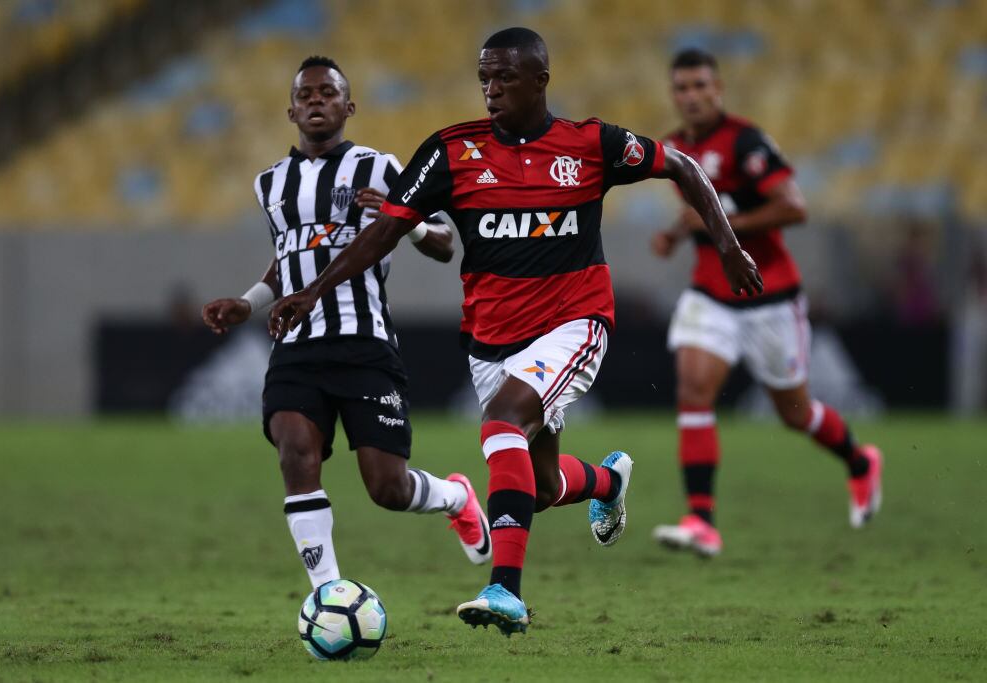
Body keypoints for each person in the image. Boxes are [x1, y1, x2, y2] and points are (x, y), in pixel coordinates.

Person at [269, 30, 763, 635]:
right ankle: (607, 481)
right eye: (484, 78)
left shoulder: (590, 144)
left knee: (502, 423)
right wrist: (313, 292)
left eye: (504, 77)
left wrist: (729, 244)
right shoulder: (451, 151)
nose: (491, 89)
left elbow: (681, 165)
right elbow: (383, 233)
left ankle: (505, 592)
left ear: (540, 81)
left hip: (573, 321)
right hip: (491, 340)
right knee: (540, 485)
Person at [201, 56, 493, 593]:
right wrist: (248, 303)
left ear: (348, 107)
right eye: (306, 95)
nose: (316, 101)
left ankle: (456, 498)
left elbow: (445, 244)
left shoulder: (379, 168)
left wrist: (401, 222)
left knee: (387, 487)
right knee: (295, 453)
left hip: (364, 344)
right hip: (296, 346)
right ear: (290, 110)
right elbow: (288, 258)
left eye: (327, 93)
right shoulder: (270, 183)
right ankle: (328, 595)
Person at [649, 48, 883, 557]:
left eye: (700, 86)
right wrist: (673, 234)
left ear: (719, 89)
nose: (691, 96)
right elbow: (699, 213)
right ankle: (701, 519)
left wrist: (723, 226)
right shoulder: (670, 147)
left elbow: (793, 208)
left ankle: (860, 461)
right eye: (682, 88)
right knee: (693, 389)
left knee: (795, 414)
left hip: (768, 294)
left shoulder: (745, 141)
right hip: (709, 293)